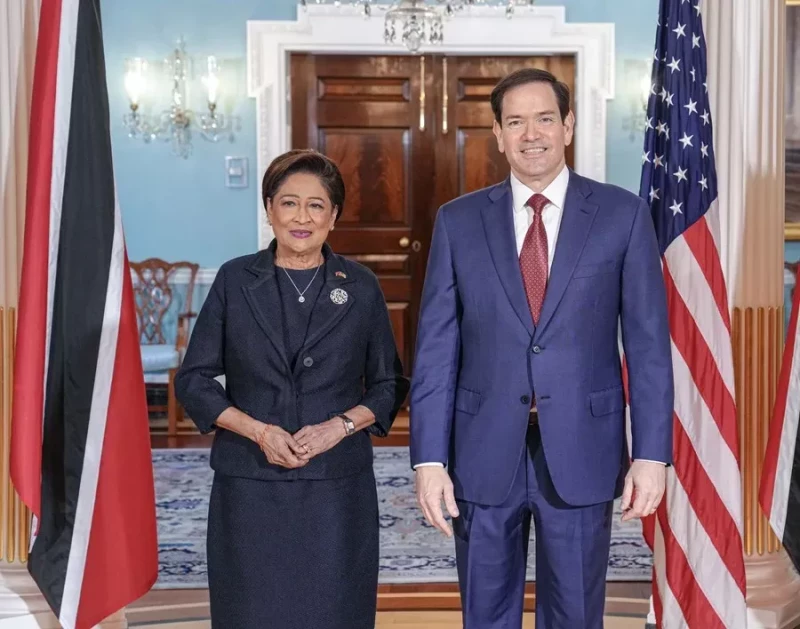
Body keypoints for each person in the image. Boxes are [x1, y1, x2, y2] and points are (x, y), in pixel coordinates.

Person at [409, 68, 674, 628]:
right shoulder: (457, 222)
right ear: (499, 135)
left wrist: (651, 454)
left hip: (583, 445)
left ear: (569, 125)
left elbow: (648, 346)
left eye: (545, 118)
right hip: (480, 450)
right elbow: (436, 348)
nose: (532, 133)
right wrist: (429, 459)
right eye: (516, 121)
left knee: (576, 614)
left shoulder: (622, 215)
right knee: (486, 613)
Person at [174, 148, 409, 629]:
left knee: (334, 612)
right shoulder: (235, 280)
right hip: (249, 485)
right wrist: (259, 431)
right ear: (269, 208)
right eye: (289, 202)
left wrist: (338, 427)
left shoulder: (360, 285)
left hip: (336, 489)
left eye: (316, 205)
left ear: (334, 215)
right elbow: (194, 381)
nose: (302, 217)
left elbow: (389, 385)